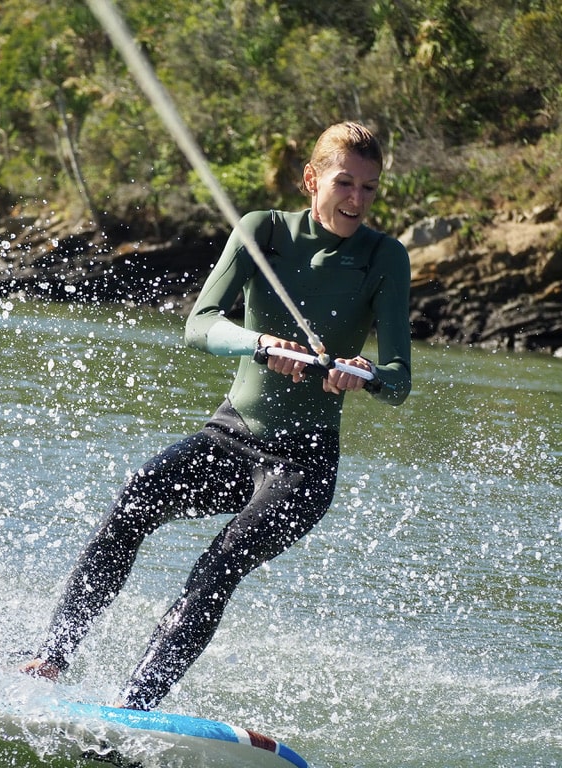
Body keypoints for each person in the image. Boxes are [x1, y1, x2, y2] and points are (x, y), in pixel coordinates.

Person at [21, 122, 412, 711]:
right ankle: (52, 658)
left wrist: (365, 373)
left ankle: (135, 708)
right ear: (312, 180)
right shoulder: (264, 232)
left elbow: (399, 380)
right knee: (133, 501)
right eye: (344, 183)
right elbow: (200, 323)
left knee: (219, 563)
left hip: (302, 467)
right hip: (232, 436)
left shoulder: (385, 257)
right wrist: (260, 345)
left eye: (370, 189)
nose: (357, 200)